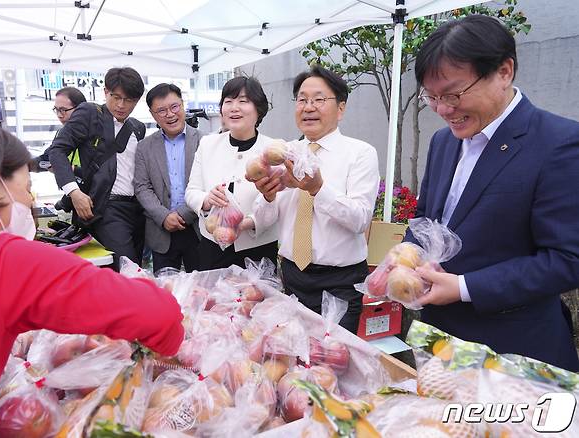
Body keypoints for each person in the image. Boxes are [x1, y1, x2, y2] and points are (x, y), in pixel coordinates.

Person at [0, 116, 184, 438]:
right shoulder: (1, 259)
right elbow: (157, 313)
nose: (31, 201)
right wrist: (169, 351)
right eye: (27, 189)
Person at [406, 14, 579, 371]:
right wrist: (406, 253)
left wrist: (465, 286)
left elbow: (567, 260)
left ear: (504, 71)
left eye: (453, 94)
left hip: (512, 351)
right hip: (439, 342)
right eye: (432, 97)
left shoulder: (559, 143)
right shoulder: (443, 142)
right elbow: (427, 220)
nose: (442, 110)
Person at [251, 65, 379, 334]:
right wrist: (267, 195)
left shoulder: (360, 153)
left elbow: (360, 219)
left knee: (333, 364)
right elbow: (262, 223)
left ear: (341, 108)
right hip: (292, 277)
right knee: (293, 361)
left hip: (340, 283)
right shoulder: (284, 153)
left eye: (319, 99)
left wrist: (318, 189)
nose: (308, 107)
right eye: (302, 99)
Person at [49, 67, 147, 268]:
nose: (121, 105)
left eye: (129, 100)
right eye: (116, 97)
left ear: (137, 101)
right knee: (129, 269)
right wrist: (74, 192)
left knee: (133, 268)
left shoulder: (138, 127)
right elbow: (57, 150)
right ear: (105, 92)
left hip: (137, 209)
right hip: (105, 207)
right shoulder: (90, 113)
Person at [185, 76, 279, 270]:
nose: (234, 107)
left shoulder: (273, 150)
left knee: (257, 299)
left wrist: (250, 222)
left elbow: (280, 204)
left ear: (259, 109)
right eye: (228, 101)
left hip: (257, 248)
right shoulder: (208, 144)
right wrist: (207, 200)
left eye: (243, 101)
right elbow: (191, 191)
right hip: (212, 246)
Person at [135, 83, 203, 273]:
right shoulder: (144, 147)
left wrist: (182, 214)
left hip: (198, 227)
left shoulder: (204, 141)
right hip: (161, 230)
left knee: (202, 291)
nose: (170, 114)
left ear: (182, 105)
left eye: (174, 107)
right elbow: (141, 187)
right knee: (166, 290)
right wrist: (164, 217)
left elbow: (208, 184)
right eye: (161, 110)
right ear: (153, 114)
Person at [30, 86, 87, 172]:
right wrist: (22, 166)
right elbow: (47, 158)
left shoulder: (96, 133)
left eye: (63, 110)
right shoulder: (61, 133)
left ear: (80, 109)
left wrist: (72, 170)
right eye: (56, 110)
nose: (59, 115)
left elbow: (105, 173)